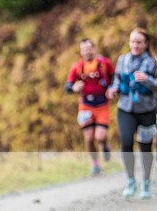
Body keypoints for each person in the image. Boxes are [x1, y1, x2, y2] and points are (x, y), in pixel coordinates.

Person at [106, 27, 157, 199]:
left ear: (146, 44)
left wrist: (147, 79)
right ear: (129, 42)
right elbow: (117, 80)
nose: (135, 45)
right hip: (125, 109)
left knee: (145, 148)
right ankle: (130, 181)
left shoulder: (152, 62)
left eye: (139, 42)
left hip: (147, 111)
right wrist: (113, 89)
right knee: (126, 143)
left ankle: (146, 183)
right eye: (133, 41)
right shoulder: (123, 60)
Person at [65, 38, 114, 176]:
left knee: (100, 136)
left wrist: (112, 89)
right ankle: (95, 165)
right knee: (89, 138)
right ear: (81, 51)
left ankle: (104, 144)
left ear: (94, 49)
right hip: (86, 105)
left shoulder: (105, 63)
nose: (87, 51)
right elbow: (68, 86)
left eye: (89, 48)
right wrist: (73, 88)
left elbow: (115, 79)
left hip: (102, 104)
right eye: (83, 49)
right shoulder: (77, 67)